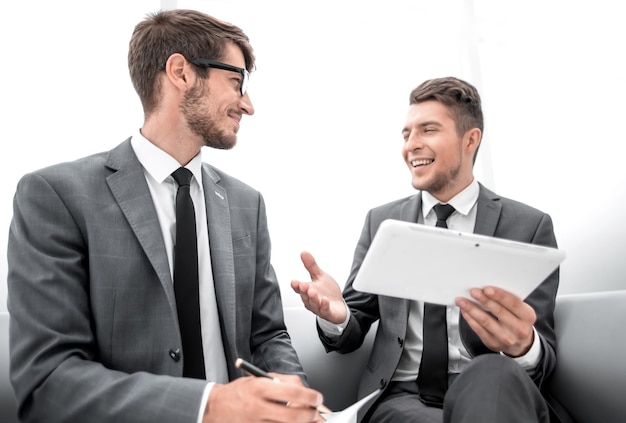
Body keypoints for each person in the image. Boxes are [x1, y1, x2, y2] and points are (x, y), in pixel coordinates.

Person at [7, 9, 325, 423]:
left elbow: (267, 334)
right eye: (237, 81)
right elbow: (49, 381)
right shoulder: (55, 196)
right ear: (181, 72)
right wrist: (208, 406)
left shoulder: (248, 203)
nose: (248, 104)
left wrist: (292, 394)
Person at [291, 77, 565, 422]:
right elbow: (353, 328)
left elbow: (543, 355)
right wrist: (337, 315)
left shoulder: (528, 225)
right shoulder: (382, 221)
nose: (411, 145)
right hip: (406, 399)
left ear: (471, 139)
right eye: (406, 134)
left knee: (491, 376)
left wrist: (523, 346)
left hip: (495, 390)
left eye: (428, 130)